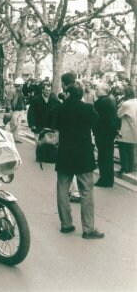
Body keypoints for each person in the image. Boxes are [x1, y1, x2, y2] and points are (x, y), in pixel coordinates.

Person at [51, 82, 104, 239]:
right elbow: (95, 122)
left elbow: (53, 123)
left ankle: (66, 224)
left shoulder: (60, 108)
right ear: (81, 95)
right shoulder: (87, 109)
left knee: (62, 189)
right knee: (86, 191)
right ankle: (88, 229)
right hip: (83, 154)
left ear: (67, 94)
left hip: (65, 153)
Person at [59, 71, 82, 203]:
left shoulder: (68, 98)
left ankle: (75, 192)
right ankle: (76, 191)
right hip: (81, 138)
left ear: (63, 83)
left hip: (70, 139)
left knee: (69, 169)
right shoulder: (79, 93)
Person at [92, 83, 119, 187]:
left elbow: (102, 119)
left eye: (98, 89)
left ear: (104, 90)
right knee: (106, 156)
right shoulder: (109, 100)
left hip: (104, 133)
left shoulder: (102, 102)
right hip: (107, 133)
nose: (96, 90)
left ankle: (105, 179)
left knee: (104, 157)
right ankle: (107, 179)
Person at [27, 81, 60, 162]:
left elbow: (58, 111)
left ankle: (46, 156)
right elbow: (31, 113)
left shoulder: (54, 100)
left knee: (47, 142)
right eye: (46, 90)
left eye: (49, 90)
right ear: (42, 90)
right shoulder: (36, 100)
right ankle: (39, 156)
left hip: (49, 126)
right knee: (38, 142)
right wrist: (32, 124)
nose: (48, 92)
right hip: (38, 125)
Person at [117, 86, 137, 176]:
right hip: (134, 127)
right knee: (131, 149)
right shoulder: (136, 101)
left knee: (123, 148)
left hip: (126, 128)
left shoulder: (126, 104)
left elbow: (118, 114)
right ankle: (130, 167)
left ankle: (124, 167)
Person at [4, 77, 26, 143]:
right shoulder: (12, 91)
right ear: (19, 84)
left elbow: (21, 100)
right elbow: (8, 101)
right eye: (22, 84)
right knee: (14, 124)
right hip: (14, 110)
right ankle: (9, 137)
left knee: (18, 125)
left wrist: (24, 108)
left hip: (19, 110)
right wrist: (10, 109)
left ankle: (16, 138)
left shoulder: (20, 91)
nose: (22, 85)